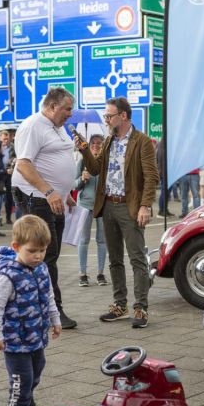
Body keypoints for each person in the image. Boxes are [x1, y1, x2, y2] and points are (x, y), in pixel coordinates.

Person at [77, 97, 159, 329]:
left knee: (136, 258)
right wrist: (84, 150)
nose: (106, 120)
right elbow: (95, 169)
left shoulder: (141, 141)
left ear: (123, 116)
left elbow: (152, 176)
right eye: (105, 116)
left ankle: (141, 308)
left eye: (109, 116)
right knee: (114, 259)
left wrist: (145, 205)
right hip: (108, 205)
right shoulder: (109, 140)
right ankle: (119, 304)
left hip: (130, 205)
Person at [0, 214, 61, 406]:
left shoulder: (41, 269)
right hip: (15, 340)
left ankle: (26, 398)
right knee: (22, 377)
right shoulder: (7, 276)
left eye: (42, 250)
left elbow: (49, 297)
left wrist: (55, 320)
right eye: (32, 251)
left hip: (36, 335)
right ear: (16, 247)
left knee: (37, 370)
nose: (38, 256)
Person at [12, 87, 79, 330]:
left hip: (54, 199)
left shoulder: (58, 127)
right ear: (52, 107)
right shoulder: (33, 126)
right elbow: (23, 165)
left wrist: (64, 194)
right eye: (67, 109)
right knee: (44, 256)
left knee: (51, 255)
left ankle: (39, 306)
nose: (70, 114)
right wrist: (50, 191)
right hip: (36, 198)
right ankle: (52, 311)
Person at [73, 134, 108, 287]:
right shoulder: (82, 162)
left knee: (102, 240)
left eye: (99, 143)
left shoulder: (105, 163)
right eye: (92, 143)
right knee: (84, 240)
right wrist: (82, 179)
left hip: (102, 205)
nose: (95, 145)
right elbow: (74, 185)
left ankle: (100, 273)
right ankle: (83, 274)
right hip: (85, 205)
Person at [1, 129, 21, 224]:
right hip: (0, 174)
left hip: (10, 172)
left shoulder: (13, 147)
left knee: (9, 196)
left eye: (7, 138)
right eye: (4, 138)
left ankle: (8, 217)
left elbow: (17, 156)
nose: (5, 140)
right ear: (0, 138)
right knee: (0, 195)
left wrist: (12, 160)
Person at [155, 138, 174, 217]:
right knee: (164, 192)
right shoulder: (162, 145)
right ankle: (161, 211)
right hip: (165, 173)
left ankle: (165, 209)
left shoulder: (164, 144)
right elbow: (161, 160)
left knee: (166, 193)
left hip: (166, 172)